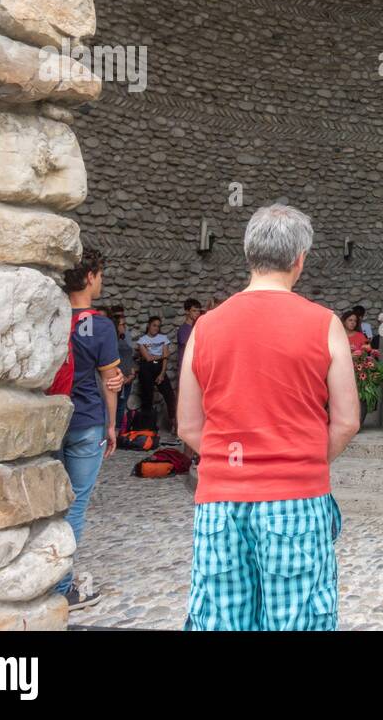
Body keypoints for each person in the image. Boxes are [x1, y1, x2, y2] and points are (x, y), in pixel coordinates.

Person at [178, 204, 361, 631]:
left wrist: (233, 461)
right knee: (297, 619)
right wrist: (301, 460)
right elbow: (348, 419)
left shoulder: (205, 326)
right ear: (300, 259)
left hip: (220, 501)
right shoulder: (324, 324)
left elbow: (187, 425)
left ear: (249, 254)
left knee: (222, 620)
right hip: (296, 498)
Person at [56, 247, 122, 610]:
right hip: (86, 421)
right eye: (101, 273)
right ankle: (63, 586)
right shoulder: (100, 324)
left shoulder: (50, 316)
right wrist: (112, 426)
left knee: (51, 504)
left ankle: (43, 575)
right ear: (91, 276)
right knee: (75, 505)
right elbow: (110, 382)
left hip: (51, 422)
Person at [136, 316, 177, 436]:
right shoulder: (142, 340)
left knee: (170, 395)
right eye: (154, 325)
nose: (156, 328)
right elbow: (148, 358)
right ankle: (147, 428)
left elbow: (165, 359)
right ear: (149, 325)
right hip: (146, 368)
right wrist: (163, 356)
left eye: (158, 326)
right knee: (147, 397)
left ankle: (175, 425)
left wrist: (162, 373)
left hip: (160, 368)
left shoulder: (163, 338)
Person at [110, 308, 137, 434]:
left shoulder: (125, 338)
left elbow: (129, 357)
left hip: (128, 376)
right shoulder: (110, 340)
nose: (125, 327)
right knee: (114, 406)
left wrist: (131, 374)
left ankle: (118, 432)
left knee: (122, 405)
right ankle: (112, 432)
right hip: (117, 377)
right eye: (123, 324)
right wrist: (121, 376)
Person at [176, 298, 202, 380]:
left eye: (198, 311)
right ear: (187, 311)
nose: (197, 313)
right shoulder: (183, 329)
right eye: (194, 311)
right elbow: (191, 347)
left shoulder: (199, 327)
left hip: (197, 367)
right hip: (186, 369)